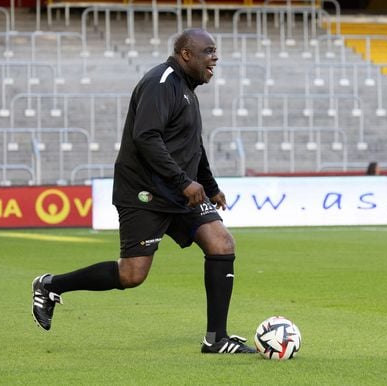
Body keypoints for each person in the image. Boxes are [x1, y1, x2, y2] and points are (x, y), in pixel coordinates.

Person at [31, 28, 256, 354]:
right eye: (208, 51)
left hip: (180, 191)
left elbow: (193, 145)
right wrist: (184, 182)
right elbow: (146, 137)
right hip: (145, 192)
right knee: (132, 274)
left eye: (215, 51)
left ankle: (216, 338)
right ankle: (51, 285)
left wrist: (210, 186)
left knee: (221, 243)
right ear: (186, 54)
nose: (215, 57)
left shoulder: (187, 90)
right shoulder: (161, 82)